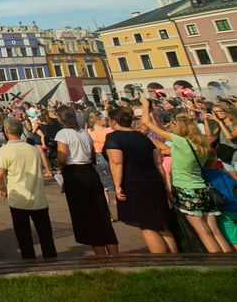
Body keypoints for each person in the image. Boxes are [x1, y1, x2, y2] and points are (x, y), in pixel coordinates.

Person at [140, 96, 232, 253]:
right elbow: (161, 131)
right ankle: (228, 259)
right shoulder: (201, 144)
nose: (172, 128)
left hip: (187, 190)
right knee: (215, 231)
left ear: (180, 128)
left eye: (174, 126)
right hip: (203, 189)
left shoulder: (181, 142)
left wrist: (145, 105)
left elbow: (147, 124)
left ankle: (218, 263)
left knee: (203, 232)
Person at [104, 107, 176, 254]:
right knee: (161, 224)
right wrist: (164, 184)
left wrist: (117, 185)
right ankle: (175, 257)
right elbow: (158, 163)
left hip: (134, 183)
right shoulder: (143, 137)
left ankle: (164, 262)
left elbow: (117, 162)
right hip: (153, 181)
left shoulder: (114, 138)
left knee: (148, 226)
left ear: (113, 121)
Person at [54, 106, 118, 255]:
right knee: (101, 213)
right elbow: (92, 154)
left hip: (75, 174)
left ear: (60, 118)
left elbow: (62, 157)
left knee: (86, 216)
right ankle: (114, 254)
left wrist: (59, 168)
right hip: (90, 171)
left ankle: (101, 255)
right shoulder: (84, 132)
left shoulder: (63, 133)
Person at [0, 117, 57, 260]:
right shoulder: (32, 149)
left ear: (6, 131)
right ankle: (51, 258)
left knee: (23, 234)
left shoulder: (5, 150)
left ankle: (29, 260)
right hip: (38, 197)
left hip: (18, 200)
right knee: (45, 233)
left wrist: (2, 188)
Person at [88, 112, 117, 220]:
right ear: (98, 120)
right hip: (110, 156)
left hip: (97, 158)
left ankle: (108, 214)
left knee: (104, 189)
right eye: (104, 118)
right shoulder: (109, 130)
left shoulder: (89, 132)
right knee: (117, 184)